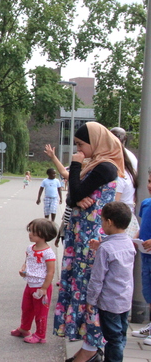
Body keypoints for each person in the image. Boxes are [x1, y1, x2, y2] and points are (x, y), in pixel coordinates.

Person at [54, 122, 125, 362]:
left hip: (90, 237)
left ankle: (92, 347)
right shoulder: (96, 165)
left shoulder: (104, 166)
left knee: (88, 289)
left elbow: (74, 190)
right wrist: (76, 199)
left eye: (81, 145)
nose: (79, 150)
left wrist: (75, 163)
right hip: (83, 235)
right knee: (81, 286)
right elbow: (75, 195)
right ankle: (89, 345)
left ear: (95, 142)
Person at [87, 201, 135, 362]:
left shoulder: (105, 249)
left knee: (112, 338)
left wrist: (91, 300)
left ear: (109, 222)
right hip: (125, 299)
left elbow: (97, 278)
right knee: (120, 335)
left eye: (101, 220)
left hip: (109, 302)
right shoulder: (129, 243)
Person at [11, 218, 58, 344]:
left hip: (41, 287)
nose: (30, 234)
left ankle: (40, 335)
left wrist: (44, 288)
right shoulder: (30, 248)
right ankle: (24, 328)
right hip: (30, 284)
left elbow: (50, 272)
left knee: (41, 312)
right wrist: (23, 269)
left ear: (44, 235)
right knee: (26, 308)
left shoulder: (48, 254)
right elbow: (27, 262)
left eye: (34, 232)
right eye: (30, 231)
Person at [132, 171, 151, 344]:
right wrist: (135, 239)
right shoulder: (146, 204)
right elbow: (142, 226)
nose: (150, 186)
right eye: (150, 181)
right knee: (148, 292)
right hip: (146, 256)